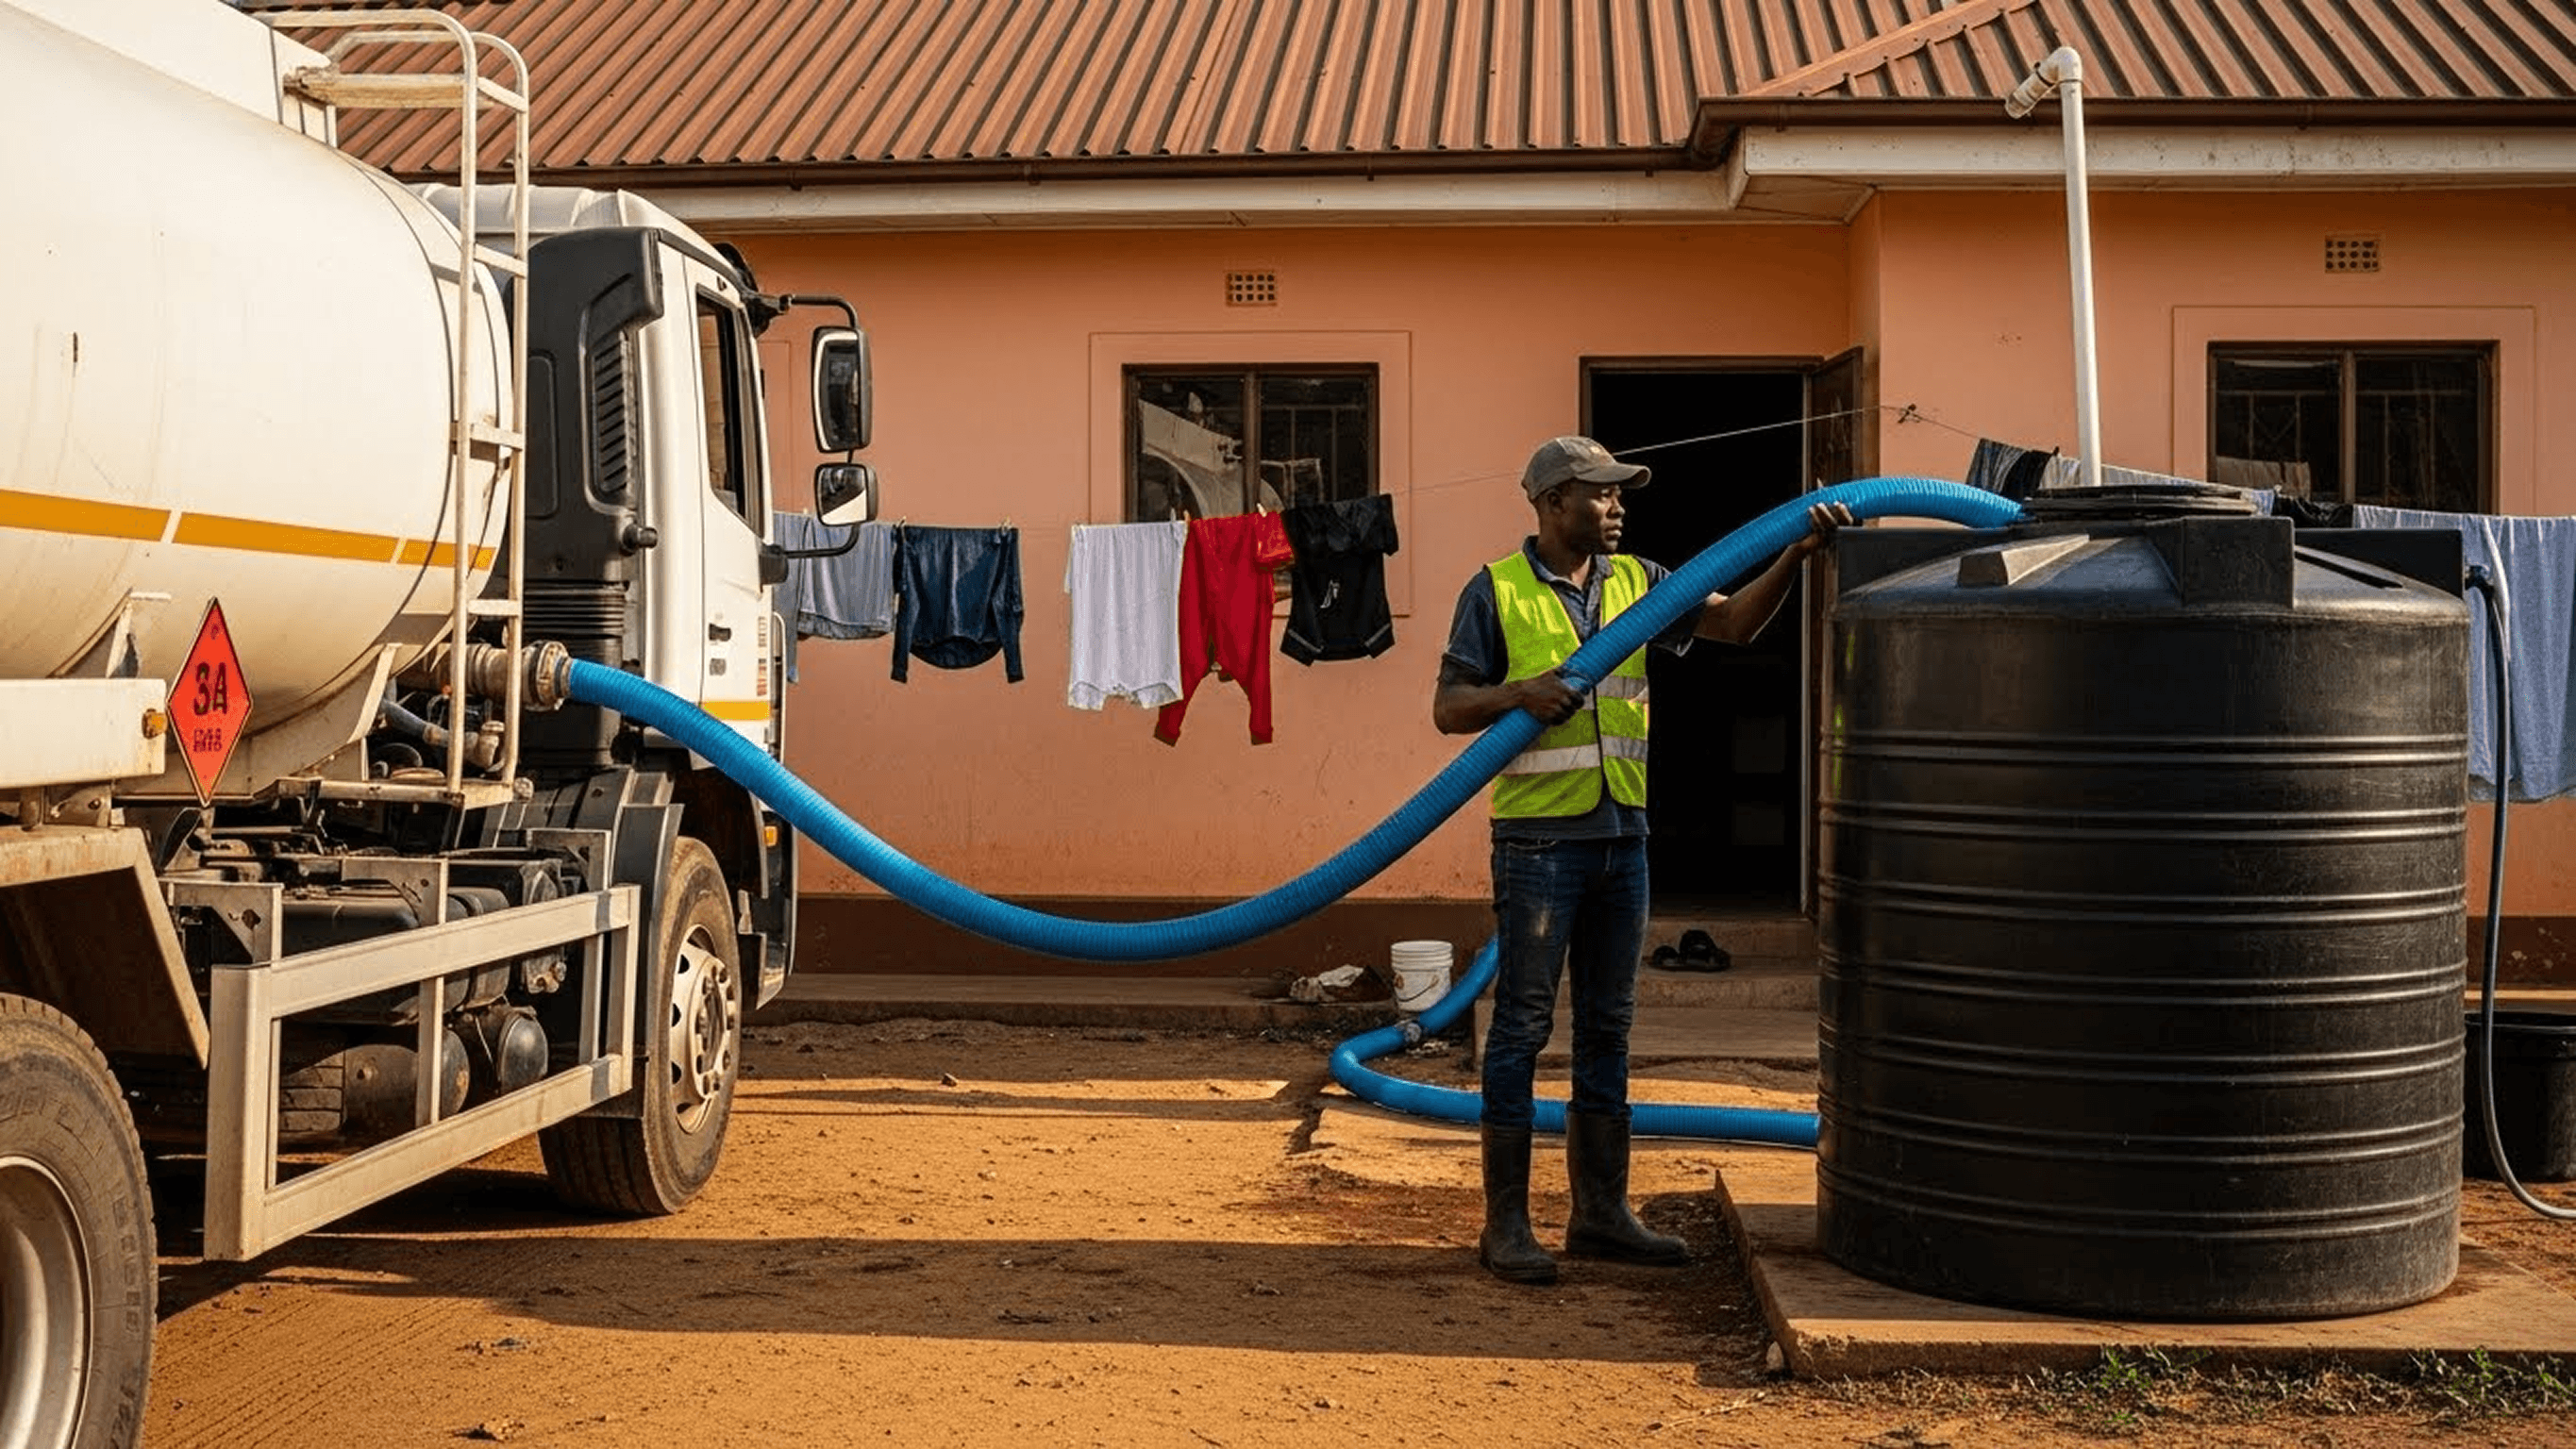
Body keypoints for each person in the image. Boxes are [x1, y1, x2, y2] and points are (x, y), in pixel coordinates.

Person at [1433, 434, 1851, 1286]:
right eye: (1601, 492)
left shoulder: (1641, 581)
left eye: (1620, 492)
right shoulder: (1496, 590)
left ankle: (1600, 1214)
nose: (1617, 505)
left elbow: (1734, 622)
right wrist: (1519, 693)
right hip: (1539, 844)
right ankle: (1506, 1225)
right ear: (1553, 502)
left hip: (1623, 840)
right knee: (1521, 1028)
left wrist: (1796, 554)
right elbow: (1449, 708)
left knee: (1608, 1029)